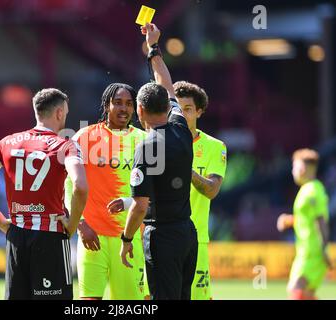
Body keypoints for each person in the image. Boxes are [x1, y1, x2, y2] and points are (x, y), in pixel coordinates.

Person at [0, 88, 88, 300]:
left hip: (16, 235)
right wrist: (73, 223)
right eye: (65, 114)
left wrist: (0, 221)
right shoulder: (65, 146)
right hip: (49, 235)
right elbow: (80, 186)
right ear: (59, 113)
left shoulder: (7, 143)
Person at [120, 23, 198, 300]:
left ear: (139, 110)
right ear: (169, 106)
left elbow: (140, 206)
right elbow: (166, 83)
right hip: (188, 233)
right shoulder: (182, 128)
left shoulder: (146, 147)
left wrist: (127, 239)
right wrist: (153, 48)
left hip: (161, 236)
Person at [64, 83, 149, 299]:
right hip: (93, 238)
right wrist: (80, 225)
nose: (124, 109)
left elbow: (155, 191)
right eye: (118, 103)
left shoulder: (145, 141)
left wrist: (129, 202)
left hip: (131, 238)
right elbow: (67, 186)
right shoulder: (84, 137)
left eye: (129, 104)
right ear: (106, 105)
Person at [173, 81, 227, 300]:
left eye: (187, 109)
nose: (181, 114)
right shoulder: (157, 143)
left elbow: (212, 190)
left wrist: (187, 168)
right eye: (177, 109)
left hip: (196, 238)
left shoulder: (215, 146)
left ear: (199, 111)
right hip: (160, 236)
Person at [277, 148, 331, 300]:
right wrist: (290, 220)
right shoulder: (307, 189)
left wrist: (324, 249)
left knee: (296, 289)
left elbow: (321, 220)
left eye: (295, 166)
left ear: (304, 168)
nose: (293, 171)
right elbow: (307, 218)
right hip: (305, 251)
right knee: (304, 293)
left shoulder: (312, 191)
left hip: (313, 252)